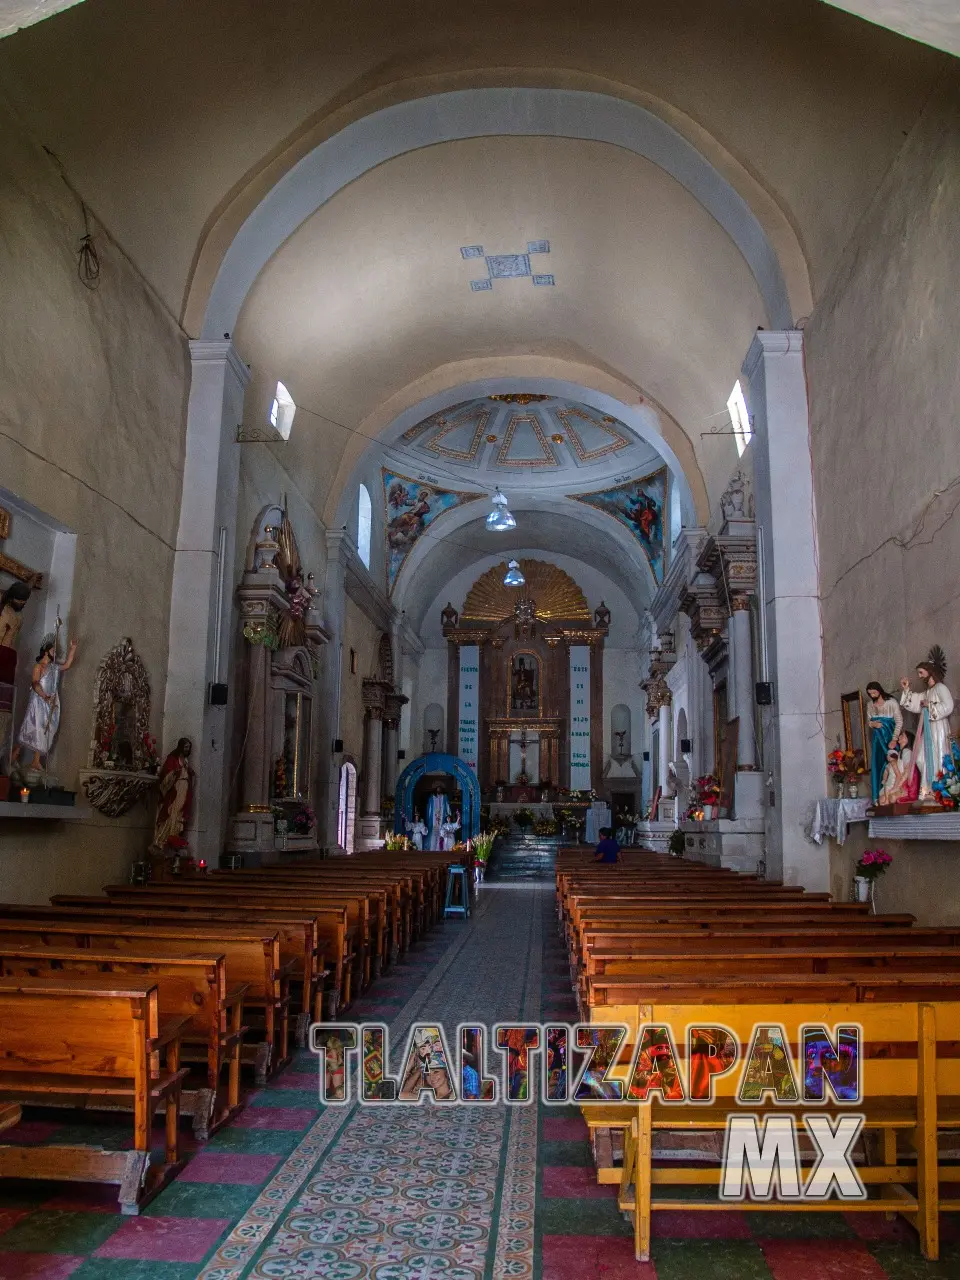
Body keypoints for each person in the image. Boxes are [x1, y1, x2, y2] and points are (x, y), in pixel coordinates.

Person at [11, 630, 77, 773]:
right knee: (34, 727)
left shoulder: (54, 667)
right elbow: (35, 683)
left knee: (46, 730)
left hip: (52, 702)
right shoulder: (39, 666)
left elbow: (67, 665)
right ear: (46, 652)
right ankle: (15, 753)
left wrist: (73, 648)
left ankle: (35, 761)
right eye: (53, 650)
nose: (54, 652)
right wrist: (44, 696)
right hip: (39, 701)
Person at [900, 646, 954, 799]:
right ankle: (927, 789)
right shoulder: (928, 692)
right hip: (928, 727)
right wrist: (907, 690)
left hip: (939, 727)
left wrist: (929, 706)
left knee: (939, 755)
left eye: (921, 672)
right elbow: (916, 702)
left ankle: (940, 791)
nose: (919, 676)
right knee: (920, 757)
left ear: (930, 671)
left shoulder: (940, 688)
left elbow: (948, 706)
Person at [152, 737, 195, 851]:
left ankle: (174, 836)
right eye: (186, 747)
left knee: (180, 812)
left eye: (189, 747)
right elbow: (166, 774)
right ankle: (161, 840)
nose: (187, 749)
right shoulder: (172, 758)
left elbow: (187, 772)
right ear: (181, 747)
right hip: (176, 788)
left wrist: (189, 772)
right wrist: (175, 772)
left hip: (184, 787)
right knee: (172, 811)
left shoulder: (185, 760)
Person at [865, 681, 902, 803]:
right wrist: (873, 724)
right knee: (878, 763)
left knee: (892, 763)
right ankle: (878, 798)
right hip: (877, 739)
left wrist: (894, 739)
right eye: (870, 694)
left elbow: (899, 721)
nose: (872, 695)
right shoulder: (870, 705)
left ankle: (894, 794)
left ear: (879, 690)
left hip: (889, 737)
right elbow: (869, 721)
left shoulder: (891, 702)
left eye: (874, 693)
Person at [878, 729, 921, 805]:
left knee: (887, 799)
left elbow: (907, 770)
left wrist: (898, 787)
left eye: (902, 735)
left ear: (908, 740)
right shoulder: (900, 752)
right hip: (897, 783)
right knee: (882, 799)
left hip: (903, 786)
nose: (899, 736)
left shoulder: (907, 751)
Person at [426, 785, 450, 851]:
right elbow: (429, 808)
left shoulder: (444, 797)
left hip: (442, 817)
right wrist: (428, 817)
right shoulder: (432, 797)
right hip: (434, 818)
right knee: (433, 834)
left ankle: (440, 849)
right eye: (438, 789)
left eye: (440, 789)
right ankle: (432, 849)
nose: (439, 790)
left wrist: (448, 814)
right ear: (436, 790)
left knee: (441, 833)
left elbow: (447, 806)